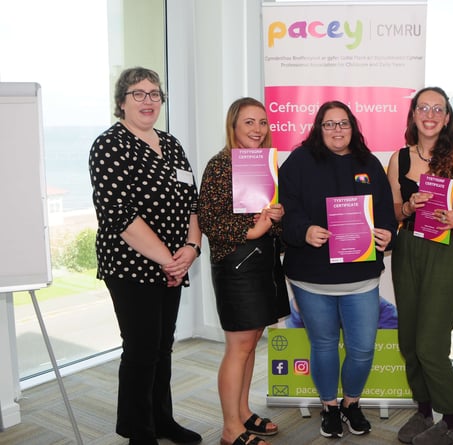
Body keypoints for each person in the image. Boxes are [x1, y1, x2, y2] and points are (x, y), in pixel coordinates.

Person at [88, 67, 202, 445]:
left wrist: (191, 248)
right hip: (131, 265)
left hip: (174, 261)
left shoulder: (170, 144)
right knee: (140, 348)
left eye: (154, 93)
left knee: (162, 346)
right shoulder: (109, 145)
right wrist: (169, 259)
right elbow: (120, 216)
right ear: (122, 101)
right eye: (138, 93)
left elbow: (192, 203)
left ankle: (161, 419)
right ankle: (140, 430)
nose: (148, 101)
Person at [278, 101, 397, 438]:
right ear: (319, 127)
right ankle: (329, 407)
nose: (337, 130)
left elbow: (386, 213)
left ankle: (351, 403)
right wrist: (303, 231)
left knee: (362, 348)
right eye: (329, 124)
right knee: (324, 345)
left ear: (352, 126)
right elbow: (286, 209)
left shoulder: (369, 163)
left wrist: (389, 234)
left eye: (343, 123)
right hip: (312, 278)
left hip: (360, 278)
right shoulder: (299, 162)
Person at [386, 86, 453, 445]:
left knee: (430, 343)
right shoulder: (399, 158)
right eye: (423, 107)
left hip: (448, 249)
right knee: (409, 338)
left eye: (437, 109)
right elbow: (393, 212)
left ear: (446, 116)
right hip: (409, 247)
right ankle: (424, 410)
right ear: (413, 114)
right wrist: (408, 207)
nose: (430, 114)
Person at [198, 97, 290, 445]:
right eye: (249, 122)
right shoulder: (221, 165)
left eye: (262, 122)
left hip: (262, 264)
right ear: (233, 126)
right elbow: (208, 220)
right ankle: (229, 429)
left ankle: (242, 412)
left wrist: (275, 218)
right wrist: (250, 231)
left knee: (250, 344)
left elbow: (268, 221)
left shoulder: (266, 166)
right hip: (236, 266)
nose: (257, 129)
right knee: (238, 347)